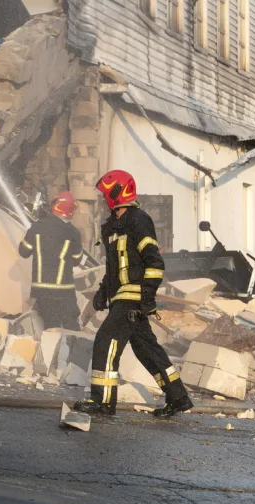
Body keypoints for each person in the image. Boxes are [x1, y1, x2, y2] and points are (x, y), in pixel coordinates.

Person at [74, 170, 194, 418]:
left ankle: (103, 402)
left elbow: (154, 263)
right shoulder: (111, 227)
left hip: (132, 298)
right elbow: (114, 267)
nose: (102, 199)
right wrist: (102, 292)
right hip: (120, 296)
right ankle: (178, 398)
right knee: (146, 348)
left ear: (119, 193)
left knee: (106, 341)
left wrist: (147, 298)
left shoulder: (139, 220)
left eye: (106, 194)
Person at [18, 191, 83, 330]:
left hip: (41, 291)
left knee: (46, 328)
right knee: (71, 327)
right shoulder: (74, 233)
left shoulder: (37, 227)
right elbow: (77, 260)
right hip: (65, 292)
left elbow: (23, 251)